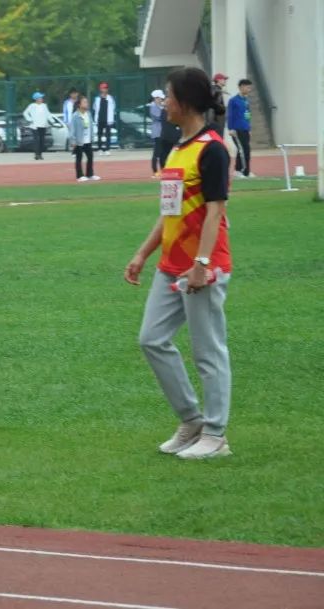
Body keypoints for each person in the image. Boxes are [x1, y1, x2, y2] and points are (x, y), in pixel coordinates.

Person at [124, 67, 233, 460]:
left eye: (168, 96)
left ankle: (216, 436)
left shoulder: (212, 149)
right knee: (151, 339)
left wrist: (202, 264)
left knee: (208, 352)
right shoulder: (176, 148)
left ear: (185, 102)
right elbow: (169, 212)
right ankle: (192, 420)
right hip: (170, 265)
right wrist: (143, 253)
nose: (163, 103)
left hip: (202, 268)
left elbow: (215, 212)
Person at [227, 78, 254, 178]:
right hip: (236, 129)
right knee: (242, 150)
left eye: (250, 88)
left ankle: (246, 172)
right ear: (241, 87)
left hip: (245, 129)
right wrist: (231, 128)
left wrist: (249, 128)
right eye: (248, 87)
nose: (249, 90)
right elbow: (230, 115)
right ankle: (238, 170)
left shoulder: (246, 101)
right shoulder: (233, 101)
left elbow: (247, 115)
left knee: (246, 150)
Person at [68, 96, 98, 182]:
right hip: (79, 141)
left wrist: (92, 137)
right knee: (79, 158)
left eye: (87, 102)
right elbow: (72, 129)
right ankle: (79, 176)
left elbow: (91, 126)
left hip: (87, 140)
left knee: (90, 157)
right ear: (79, 104)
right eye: (84, 102)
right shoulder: (75, 116)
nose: (86, 104)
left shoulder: (88, 114)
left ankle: (90, 174)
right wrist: (73, 141)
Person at [23, 92, 50, 160]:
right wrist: (30, 119)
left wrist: (50, 121)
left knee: (42, 141)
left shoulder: (44, 105)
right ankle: (36, 154)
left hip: (43, 125)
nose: (42, 99)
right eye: (40, 98)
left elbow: (48, 114)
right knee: (37, 140)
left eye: (41, 98)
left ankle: (40, 154)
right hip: (35, 126)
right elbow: (25, 113)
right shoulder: (32, 105)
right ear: (36, 99)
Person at [92, 82, 116, 155]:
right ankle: (100, 149)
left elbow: (113, 107)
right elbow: (94, 108)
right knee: (99, 135)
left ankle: (107, 149)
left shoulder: (110, 98)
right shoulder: (97, 99)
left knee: (108, 135)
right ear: (100, 89)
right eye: (102, 88)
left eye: (105, 88)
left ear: (107, 89)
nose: (104, 89)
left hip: (108, 119)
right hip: (100, 119)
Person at [147, 90, 165, 177]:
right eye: (160, 98)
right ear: (156, 98)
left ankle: (163, 170)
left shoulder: (160, 106)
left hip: (162, 131)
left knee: (162, 153)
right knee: (156, 152)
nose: (161, 100)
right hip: (157, 132)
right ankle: (155, 171)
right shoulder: (153, 106)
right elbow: (159, 117)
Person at [207, 73, 228, 137]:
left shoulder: (217, 90)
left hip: (216, 121)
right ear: (218, 80)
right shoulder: (216, 90)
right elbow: (213, 106)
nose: (225, 81)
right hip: (216, 121)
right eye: (223, 79)